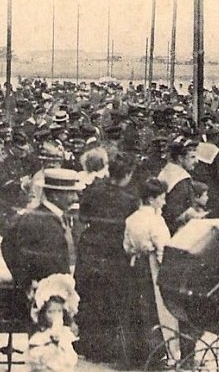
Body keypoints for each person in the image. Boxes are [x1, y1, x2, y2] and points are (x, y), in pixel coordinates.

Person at [74, 154, 139, 365]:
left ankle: (88, 344)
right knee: (111, 297)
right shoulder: (129, 200)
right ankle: (108, 347)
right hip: (113, 250)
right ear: (127, 174)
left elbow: (83, 217)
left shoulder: (93, 190)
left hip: (91, 246)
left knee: (90, 295)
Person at [121, 178, 176, 368]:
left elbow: (127, 247)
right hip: (152, 266)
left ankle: (136, 353)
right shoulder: (155, 220)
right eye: (162, 198)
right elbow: (163, 248)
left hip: (136, 265)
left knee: (137, 305)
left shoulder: (131, 219)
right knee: (155, 307)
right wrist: (167, 270)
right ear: (152, 199)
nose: (164, 202)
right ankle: (157, 354)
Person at [3, 168, 79, 292]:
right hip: (48, 295)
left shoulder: (43, 216)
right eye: (70, 193)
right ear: (55, 195)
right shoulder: (45, 223)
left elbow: (7, 245)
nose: (75, 198)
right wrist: (27, 283)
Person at [26, 273, 81, 372]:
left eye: (59, 311)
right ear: (43, 313)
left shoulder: (64, 331)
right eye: (51, 312)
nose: (55, 315)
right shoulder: (41, 333)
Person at [157, 137, 197, 234]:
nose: (197, 161)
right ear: (180, 158)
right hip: (177, 230)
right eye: (192, 157)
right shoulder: (181, 180)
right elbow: (175, 212)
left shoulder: (165, 171)